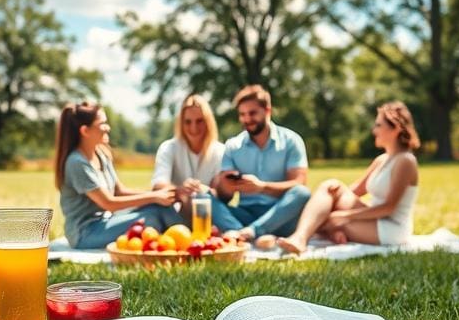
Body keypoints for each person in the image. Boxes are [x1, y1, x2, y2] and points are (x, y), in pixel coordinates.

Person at [277, 101, 420, 254]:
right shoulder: (382, 160)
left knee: (325, 221)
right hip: (376, 219)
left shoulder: (405, 161)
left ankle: (299, 238)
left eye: (379, 125)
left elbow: (388, 208)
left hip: (392, 228)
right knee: (330, 188)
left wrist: (345, 216)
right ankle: (304, 236)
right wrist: (331, 199)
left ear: (396, 128)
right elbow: (355, 190)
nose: (374, 130)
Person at [54, 102, 182, 248]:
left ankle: (187, 240)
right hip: (85, 233)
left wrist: (159, 196)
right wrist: (153, 197)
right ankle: (185, 247)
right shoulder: (76, 163)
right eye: (102, 123)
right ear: (85, 131)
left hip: (106, 222)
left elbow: (119, 192)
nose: (108, 127)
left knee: (158, 207)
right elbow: (109, 203)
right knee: (150, 218)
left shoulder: (101, 154)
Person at [212, 84, 311, 241]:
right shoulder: (233, 145)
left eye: (252, 113)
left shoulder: (291, 141)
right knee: (202, 197)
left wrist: (262, 187)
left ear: (267, 110)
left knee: (302, 193)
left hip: (280, 216)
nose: (247, 119)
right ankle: (241, 233)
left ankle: (250, 233)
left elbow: (299, 183)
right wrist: (225, 186)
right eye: (242, 114)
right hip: (244, 214)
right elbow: (224, 198)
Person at [151, 94, 225, 216]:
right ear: (181, 123)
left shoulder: (220, 151)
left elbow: (220, 194)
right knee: (153, 211)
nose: (193, 128)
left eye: (199, 121)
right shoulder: (168, 148)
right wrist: (181, 191)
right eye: (188, 122)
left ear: (208, 122)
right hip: (176, 214)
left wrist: (202, 190)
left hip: (209, 216)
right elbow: (158, 186)